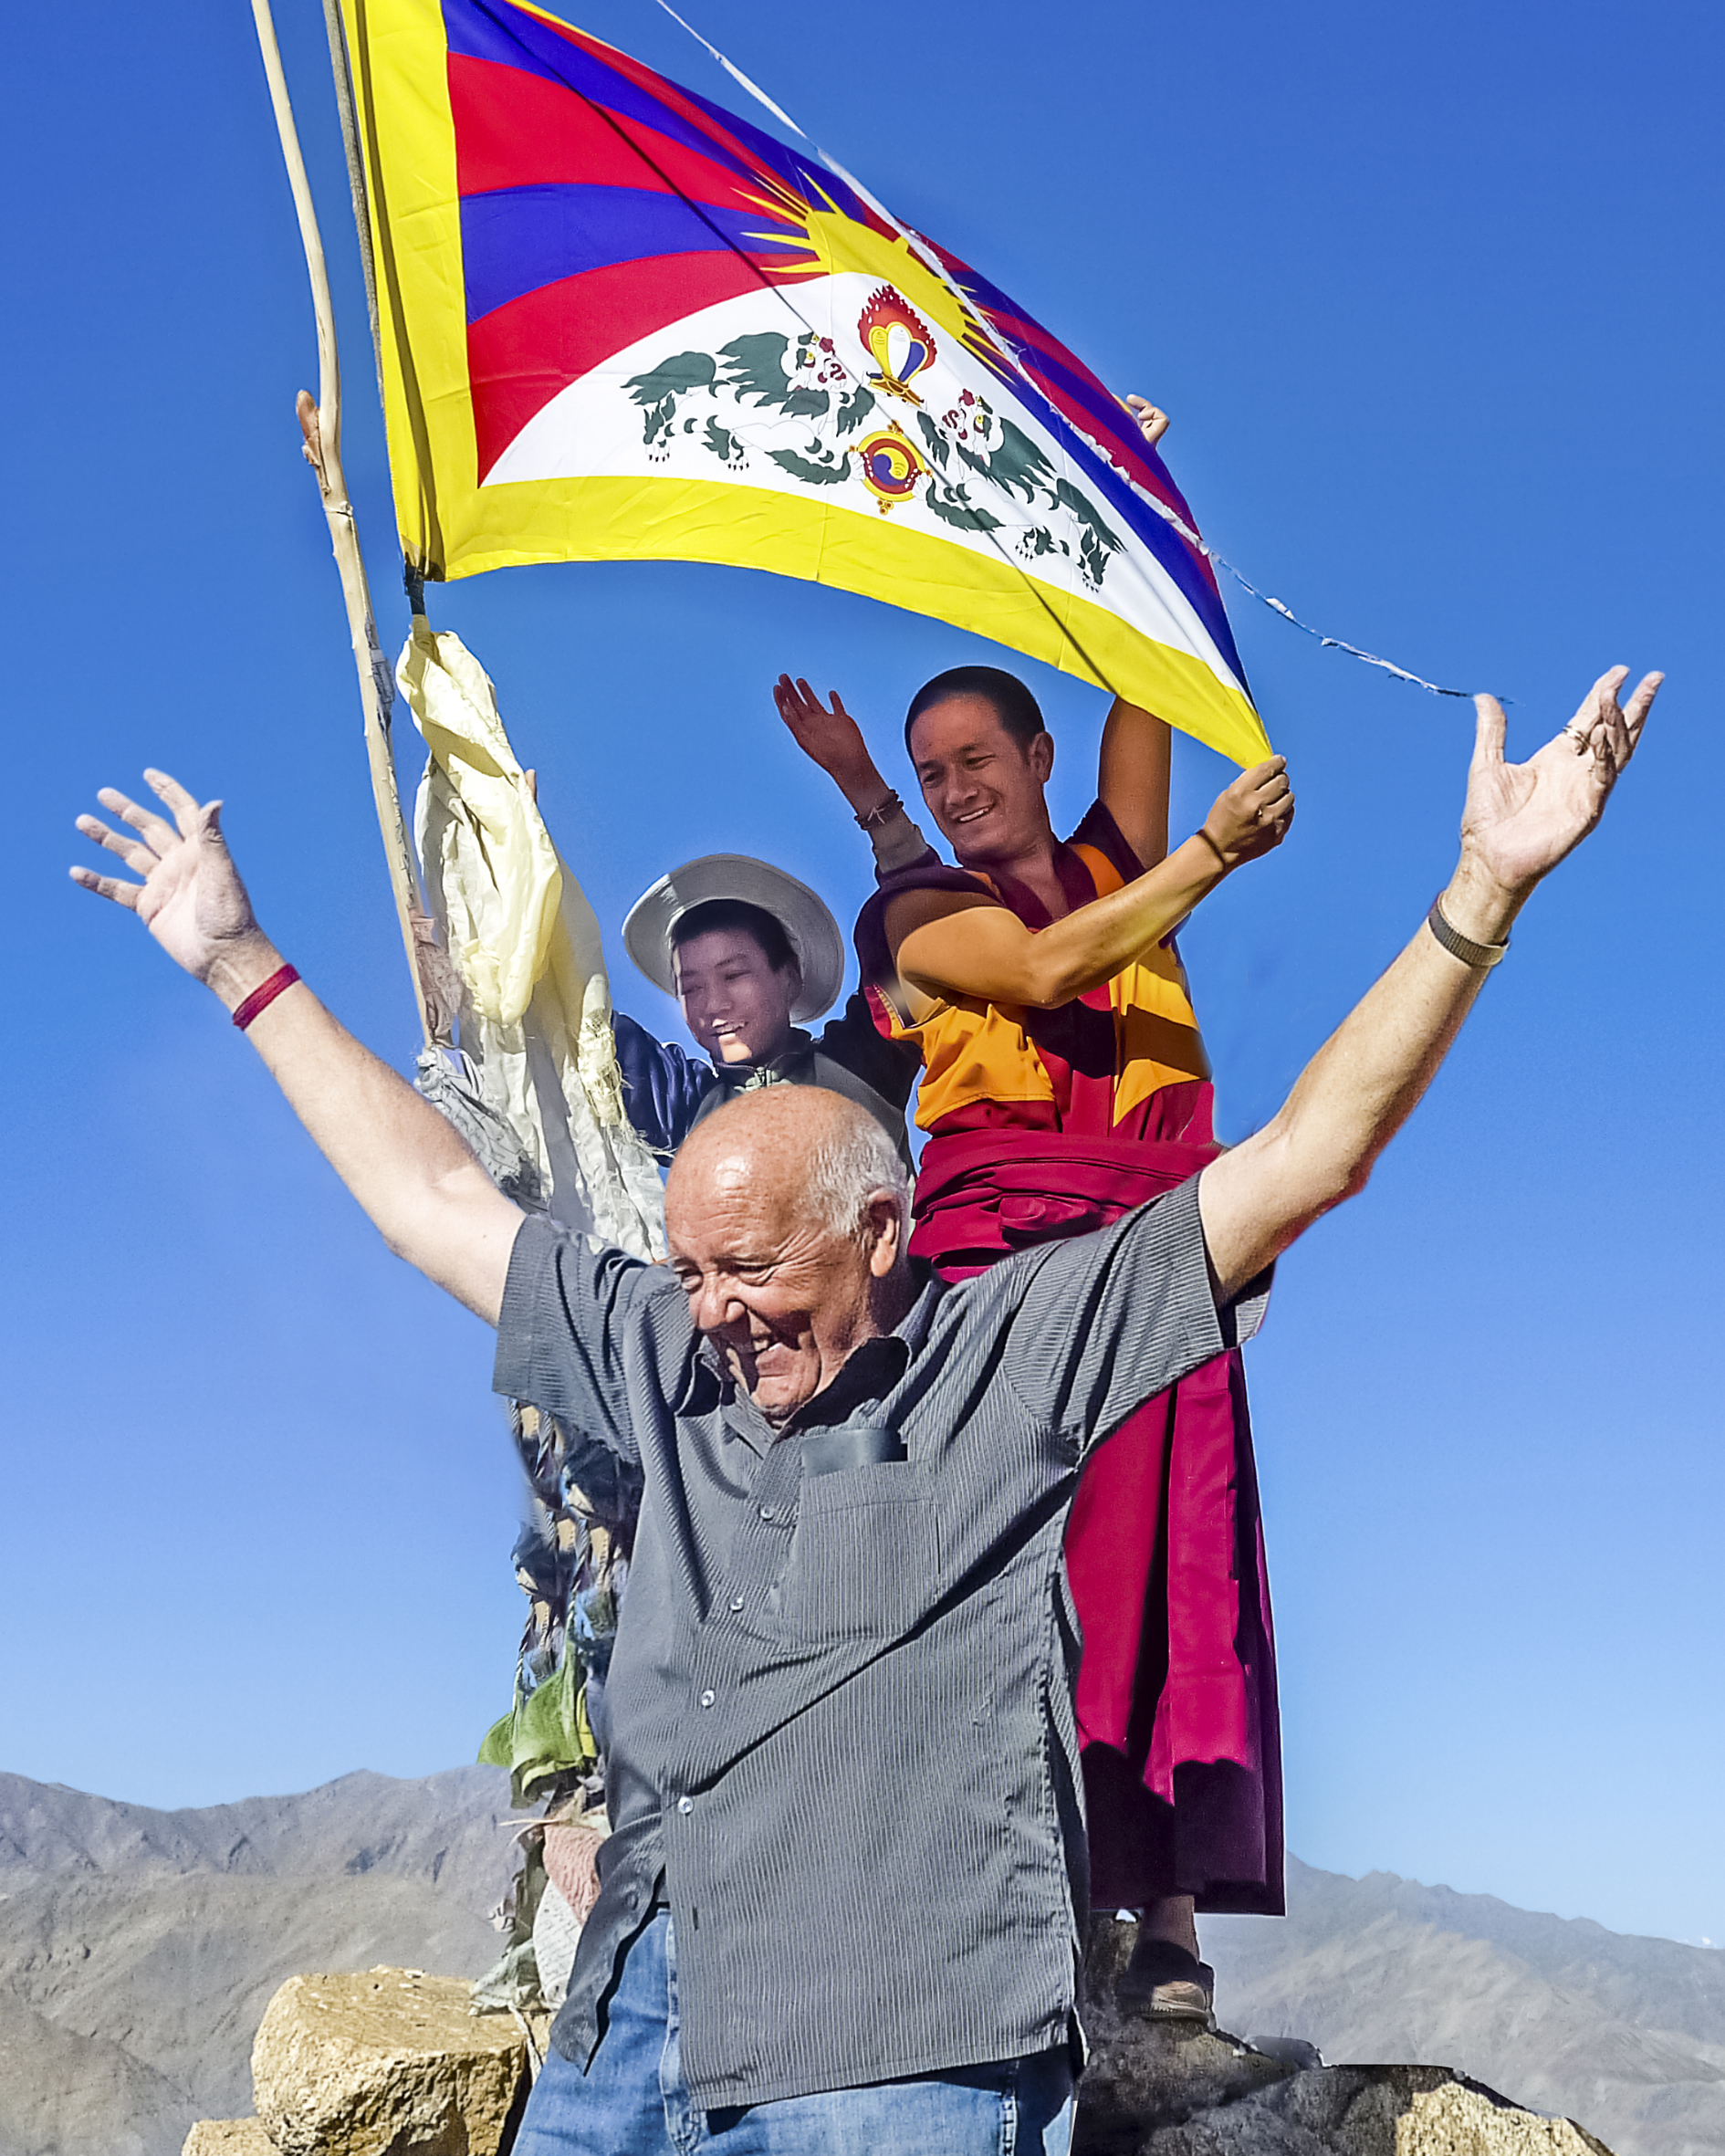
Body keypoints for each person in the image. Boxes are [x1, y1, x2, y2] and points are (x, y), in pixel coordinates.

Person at [69, 663, 1657, 2153]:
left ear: (884, 1230)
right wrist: (238, 961)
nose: (714, 1309)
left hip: (899, 2045)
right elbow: (433, 1204)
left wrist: (1481, 893)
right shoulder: (671, 1350)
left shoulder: (1013, 1350)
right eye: (690, 1269)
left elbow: (1308, 1155)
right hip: (635, 2034)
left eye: (754, 1268)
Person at [773, 654, 1292, 2017]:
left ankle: (1167, 1914)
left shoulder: (1112, 855)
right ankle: (1019, 1900)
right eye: (929, 774)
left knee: (1169, 1565)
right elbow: (1054, 961)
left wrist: (1148, 561)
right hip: (1005, 1273)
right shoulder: (916, 912)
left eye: (975, 760)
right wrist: (1212, 857)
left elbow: (1144, 674)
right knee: (1026, 1566)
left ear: (1039, 755)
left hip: (1162, 1242)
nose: (955, 791)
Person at [610, 852, 923, 1170]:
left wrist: (895, 840)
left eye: (733, 975)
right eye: (690, 988)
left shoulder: (860, 1065)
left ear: (790, 976)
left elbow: (914, 936)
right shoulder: (686, 1111)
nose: (714, 1004)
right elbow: (590, 1028)